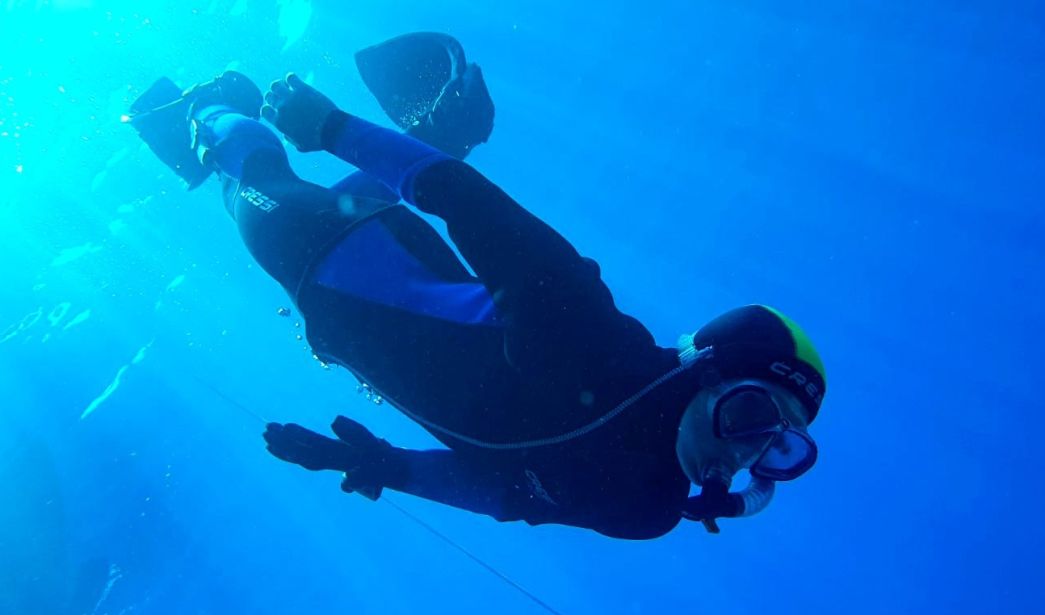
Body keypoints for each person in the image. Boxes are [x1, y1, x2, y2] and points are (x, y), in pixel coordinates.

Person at [128, 33, 827, 539]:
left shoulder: (641, 511)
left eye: (775, 451)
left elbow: (504, 491)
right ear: (709, 368)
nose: (744, 452)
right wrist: (331, 127)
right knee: (252, 185)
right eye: (749, 415)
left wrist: (385, 465)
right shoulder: (593, 343)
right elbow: (470, 204)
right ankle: (212, 108)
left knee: (308, 201)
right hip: (334, 258)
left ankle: (426, 135)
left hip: (343, 303)